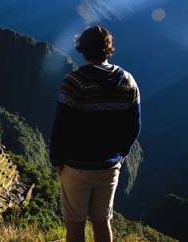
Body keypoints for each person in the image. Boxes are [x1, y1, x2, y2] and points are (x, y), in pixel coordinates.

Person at [50, 26, 141, 242]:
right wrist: (121, 154)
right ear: (108, 49)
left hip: (76, 166)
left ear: (83, 49)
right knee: (102, 222)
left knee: (75, 226)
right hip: (109, 167)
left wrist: (57, 160)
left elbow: (61, 127)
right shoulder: (128, 81)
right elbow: (134, 126)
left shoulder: (74, 82)